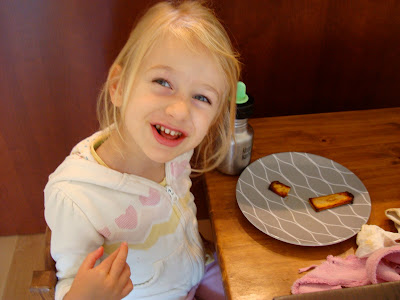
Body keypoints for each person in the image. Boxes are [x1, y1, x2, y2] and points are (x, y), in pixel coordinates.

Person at [44, 1, 241, 299]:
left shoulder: (174, 147)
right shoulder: (77, 198)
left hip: (195, 271)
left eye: (202, 97)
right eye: (163, 82)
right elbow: (72, 282)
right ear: (119, 87)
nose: (179, 110)